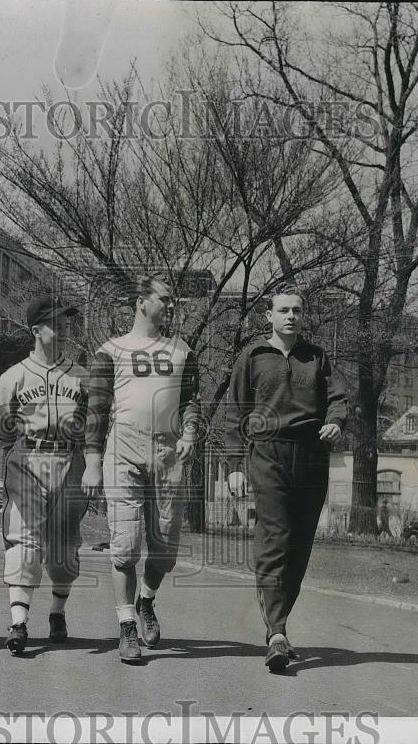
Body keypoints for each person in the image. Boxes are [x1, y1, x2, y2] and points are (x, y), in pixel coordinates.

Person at [224, 285, 347, 672]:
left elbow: (340, 397)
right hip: (268, 452)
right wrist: (233, 467)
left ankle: (279, 624)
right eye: (283, 310)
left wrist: (335, 422)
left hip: (310, 455)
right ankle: (277, 631)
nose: (291, 316)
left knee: (299, 544)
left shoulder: (317, 357)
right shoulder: (253, 356)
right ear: (269, 316)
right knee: (274, 538)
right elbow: (234, 413)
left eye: (297, 310)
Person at [83, 274, 200, 664]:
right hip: (124, 450)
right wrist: (92, 462)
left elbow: (191, 401)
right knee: (126, 546)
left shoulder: (182, 349)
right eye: (165, 299)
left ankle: (146, 599)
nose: (171, 306)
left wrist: (189, 432)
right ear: (141, 303)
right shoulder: (111, 350)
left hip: (168, 452)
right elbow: (96, 410)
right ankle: (127, 627)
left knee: (165, 549)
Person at [0, 294, 89, 655]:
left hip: (68, 460)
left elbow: (95, 430)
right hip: (28, 456)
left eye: (67, 324)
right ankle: (18, 623)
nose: (64, 330)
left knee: (63, 549)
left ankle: (57, 612)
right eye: (55, 324)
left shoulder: (81, 377)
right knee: (23, 540)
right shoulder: (13, 376)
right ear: (36, 330)